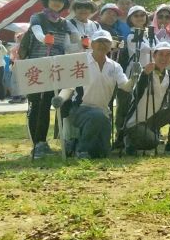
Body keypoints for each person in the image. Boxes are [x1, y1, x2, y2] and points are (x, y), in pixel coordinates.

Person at [53, 30, 134, 158]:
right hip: (80, 109)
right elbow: (69, 87)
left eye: (106, 41)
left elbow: (126, 87)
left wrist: (134, 76)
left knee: (102, 153)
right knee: (96, 116)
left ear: (111, 45)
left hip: (103, 112)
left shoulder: (115, 66)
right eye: (98, 41)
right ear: (92, 44)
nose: (102, 44)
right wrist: (60, 98)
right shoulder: (81, 63)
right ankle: (82, 150)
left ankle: (74, 144)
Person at [123, 41, 170, 154]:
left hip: (154, 119)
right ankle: (129, 140)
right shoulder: (144, 71)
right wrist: (144, 75)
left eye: (168, 55)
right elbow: (136, 93)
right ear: (154, 55)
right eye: (161, 54)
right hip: (136, 121)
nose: (164, 58)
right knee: (153, 142)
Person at [25, 0, 72, 159]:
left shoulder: (64, 22)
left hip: (56, 66)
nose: (57, 3)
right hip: (37, 66)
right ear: (47, 1)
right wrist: (44, 38)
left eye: (61, 0)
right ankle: (38, 143)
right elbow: (36, 32)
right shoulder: (37, 17)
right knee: (39, 105)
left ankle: (49, 142)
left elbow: (69, 43)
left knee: (55, 102)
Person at [115, 6, 152, 143]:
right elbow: (146, 49)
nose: (140, 17)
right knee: (126, 106)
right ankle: (120, 137)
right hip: (133, 74)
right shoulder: (131, 36)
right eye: (136, 15)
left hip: (146, 74)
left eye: (142, 15)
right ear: (130, 18)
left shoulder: (149, 35)